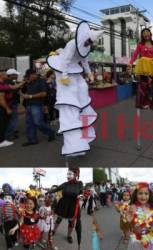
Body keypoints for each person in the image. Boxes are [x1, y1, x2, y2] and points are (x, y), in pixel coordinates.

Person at [47, 21, 104, 156]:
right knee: (69, 102)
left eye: (91, 41)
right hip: (63, 69)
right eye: (89, 40)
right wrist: (64, 76)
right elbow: (65, 60)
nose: (89, 42)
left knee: (83, 89)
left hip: (76, 71)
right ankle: (73, 143)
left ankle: (84, 134)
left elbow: (84, 61)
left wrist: (89, 73)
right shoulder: (72, 44)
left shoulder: (87, 47)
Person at [128, 28, 153, 112]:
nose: (146, 34)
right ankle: (144, 102)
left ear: (150, 34)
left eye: (147, 32)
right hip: (143, 66)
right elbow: (135, 55)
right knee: (143, 85)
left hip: (152, 67)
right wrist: (130, 63)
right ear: (142, 35)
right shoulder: (140, 44)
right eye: (144, 33)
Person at [47, 167, 83, 244]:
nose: (68, 176)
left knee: (71, 223)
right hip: (63, 204)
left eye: (69, 174)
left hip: (73, 206)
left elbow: (81, 193)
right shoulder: (65, 184)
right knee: (58, 220)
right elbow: (56, 189)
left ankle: (69, 235)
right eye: (67, 174)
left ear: (76, 174)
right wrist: (48, 192)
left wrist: (81, 196)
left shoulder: (79, 184)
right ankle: (53, 231)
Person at [21, 68, 55, 146]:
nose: (28, 77)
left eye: (29, 76)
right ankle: (32, 140)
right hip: (28, 104)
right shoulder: (28, 82)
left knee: (38, 122)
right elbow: (23, 91)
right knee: (29, 123)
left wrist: (30, 96)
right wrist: (25, 83)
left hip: (37, 104)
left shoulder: (41, 81)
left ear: (33, 74)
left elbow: (44, 93)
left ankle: (50, 132)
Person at [126, 183, 153, 250]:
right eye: (140, 193)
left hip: (148, 238)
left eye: (146, 194)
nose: (143, 196)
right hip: (137, 239)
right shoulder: (133, 207)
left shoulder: (151, 207)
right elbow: (128, 221)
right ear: (136, 195)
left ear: (149, 195)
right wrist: (129, 217)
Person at [0, 72, 24, 148]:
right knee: (2, 124)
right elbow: (1, 99)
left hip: (5, 106)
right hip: (2, 107)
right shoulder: (1, 85)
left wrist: (23, 82)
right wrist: (7, 108)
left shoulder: (3, 84)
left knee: (5, 122)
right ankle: (2, 141)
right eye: (4, 74)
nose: (6, 75)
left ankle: (3, 139)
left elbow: (13, 87)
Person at [4, 69, 21, 141]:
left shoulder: (9, 81)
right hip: (12, 102)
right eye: (15, 75)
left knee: (10, 119)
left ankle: (11, 132)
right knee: (13, 119)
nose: (17, 76)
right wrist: (22, 83)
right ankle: (9, 135)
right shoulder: (8, 81)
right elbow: (14, 89)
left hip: (11, 102)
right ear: (11, 75)